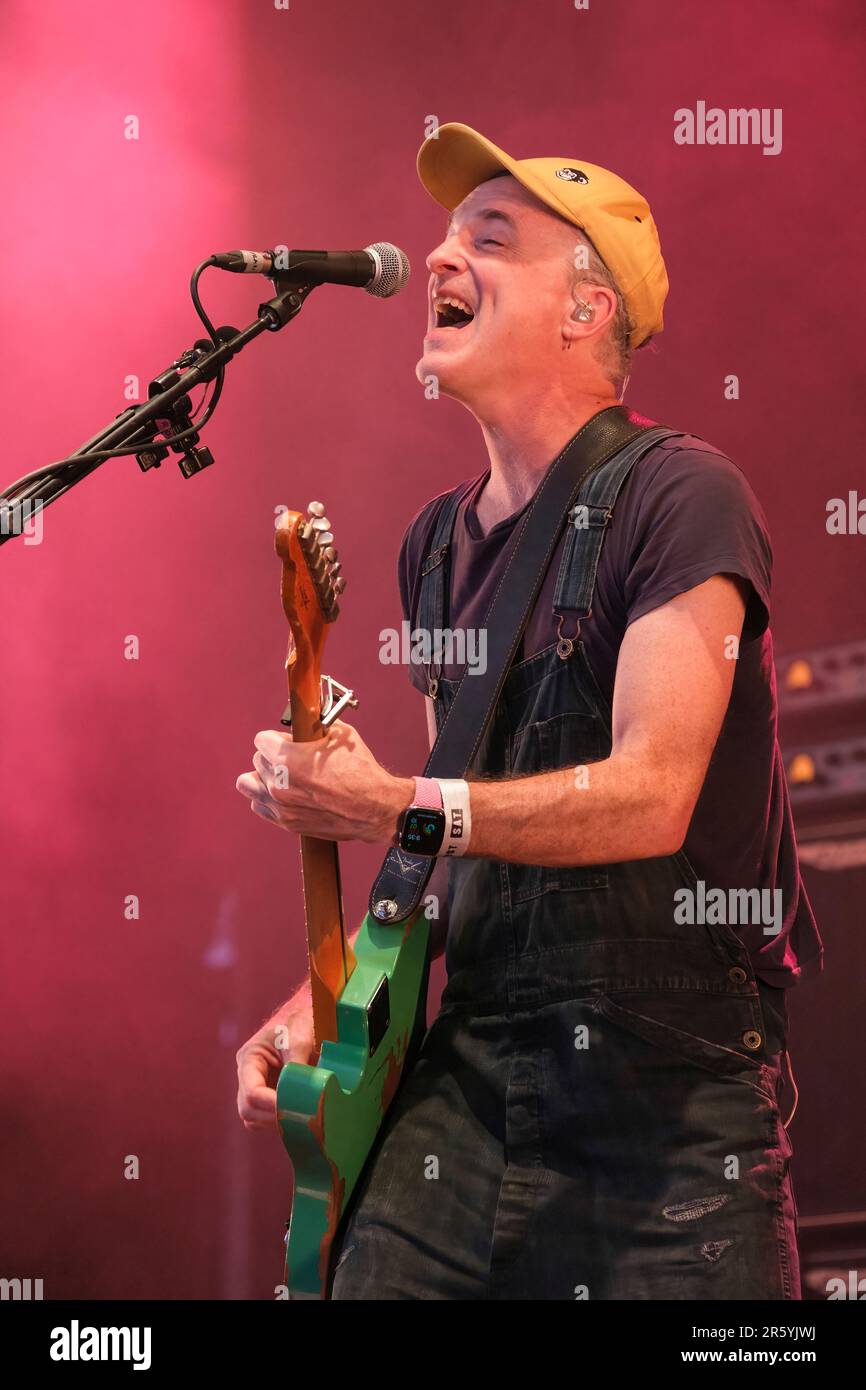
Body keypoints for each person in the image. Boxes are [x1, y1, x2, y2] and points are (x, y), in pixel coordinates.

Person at [235, 122, 823, 1300]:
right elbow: (477, 847)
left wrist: (391, 803)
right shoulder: (432, 544)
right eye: (447, 236)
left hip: (666, 1088)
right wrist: (331, 994)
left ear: (584, 310)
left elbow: (651, 794)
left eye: (489, 240)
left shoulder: (679, 494)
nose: (440, 260)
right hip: (472, 1069)